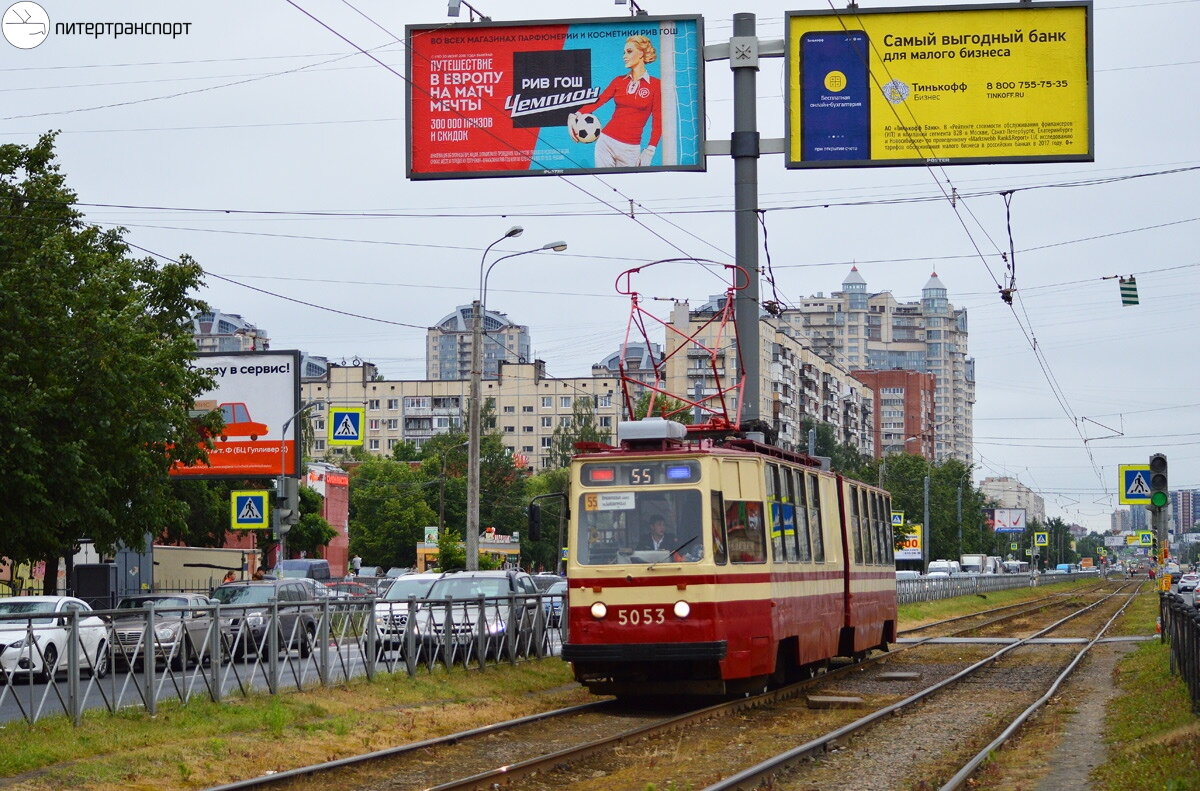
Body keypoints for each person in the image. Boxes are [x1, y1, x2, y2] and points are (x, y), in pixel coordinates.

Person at [570, 35, 662, 168]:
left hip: (631, 149)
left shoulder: (655, 85)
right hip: (605, 142)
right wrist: (576, 114)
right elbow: (599, 101)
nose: (625, 56)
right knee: (602, 183)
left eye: (629, 51)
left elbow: (658, 120)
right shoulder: (618, 81)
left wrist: (650, 150)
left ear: (642, 53)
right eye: (624, 52)